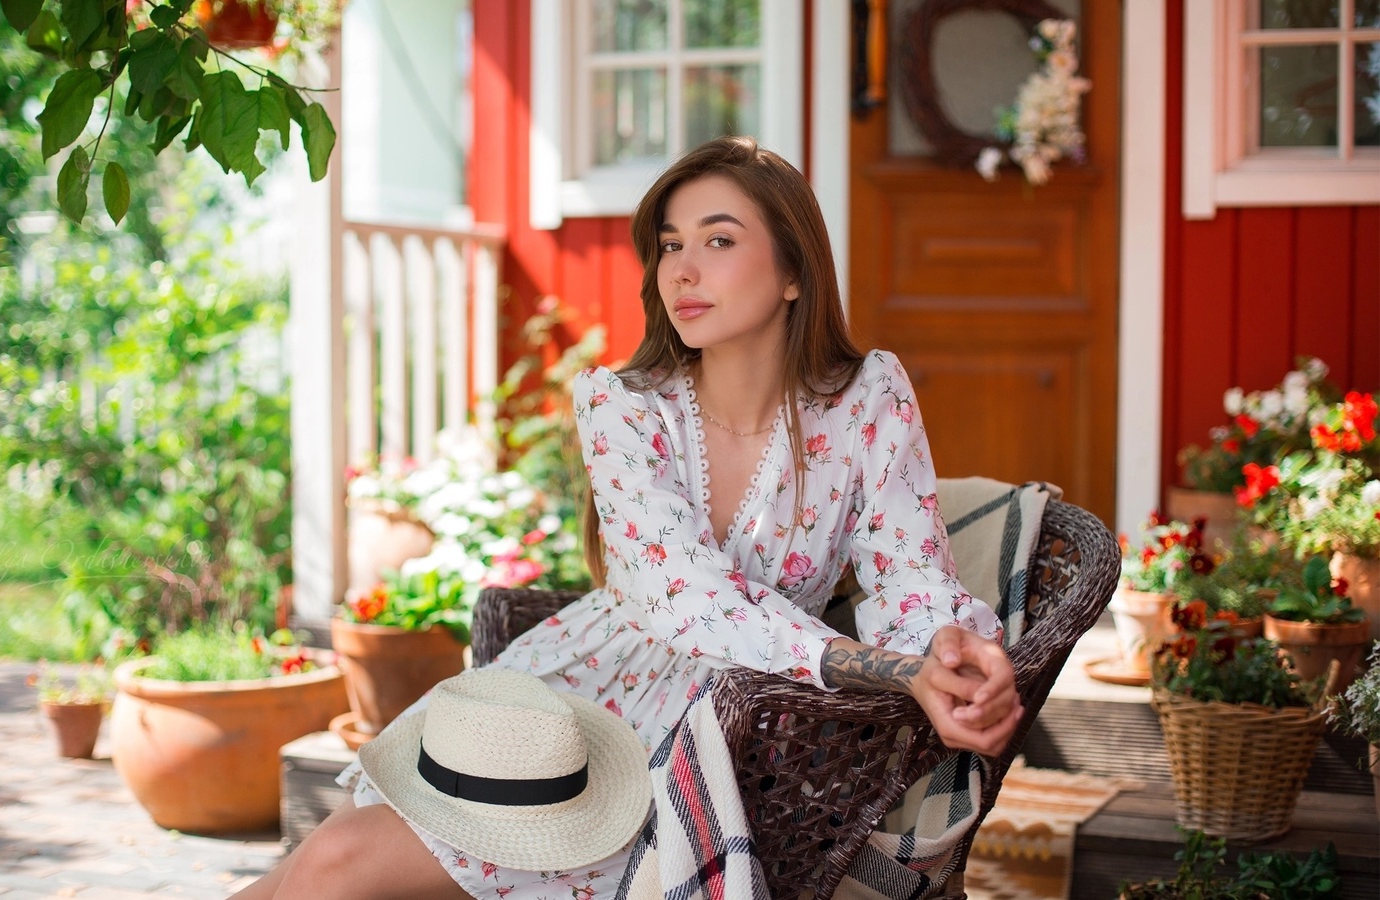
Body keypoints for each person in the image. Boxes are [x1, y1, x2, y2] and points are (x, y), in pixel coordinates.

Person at [236, 135, 1022, 899]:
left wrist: (948, 652)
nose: (682, 269)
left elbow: (911, 576)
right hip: (582, 701)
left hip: (737, 726)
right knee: (323, 866)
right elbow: (683, 595)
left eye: (718, 240)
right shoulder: (622, 407)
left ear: (793, 270)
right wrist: (886, 670)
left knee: (333, 866)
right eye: (670, 244)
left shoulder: (868, 398)